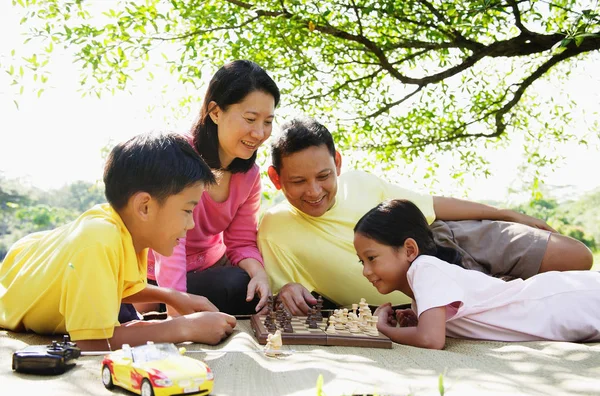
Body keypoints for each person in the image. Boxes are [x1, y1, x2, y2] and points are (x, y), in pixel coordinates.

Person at [257, 117, 594, 315]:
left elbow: (431, 205)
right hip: (430, 291)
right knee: (542, 306)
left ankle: (510, 284)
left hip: (449, 238)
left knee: (576, 255)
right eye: (298, 182)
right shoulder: (275, 228)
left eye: (323, 176)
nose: (314, 191)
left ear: (338, 164)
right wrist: (285, 289)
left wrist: (505, 214)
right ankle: (507, 289)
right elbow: (280, 288)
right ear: (275, 178)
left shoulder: (359, 182)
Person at [0, 132, 237, 351]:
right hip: (10, 286)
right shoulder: (98, 239)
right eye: (187, 211)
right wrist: (186, 327)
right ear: (144, 207)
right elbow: (89, 342)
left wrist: (173, 296)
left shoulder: (125, 231)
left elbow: (118, 286)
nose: (191, 224)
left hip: (33, 253)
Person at [353, 199, 600, 348]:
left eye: (372, 258)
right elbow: (439, 328)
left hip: (565, 301)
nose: (366, 270)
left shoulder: (424, 269)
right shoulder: (422, 286)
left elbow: (430, 340)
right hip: (563, 308)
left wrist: (385, 329)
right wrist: (417, 320)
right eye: (362, 261)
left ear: (409, 249)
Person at [143, 60, 280, 316]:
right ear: (215, 112)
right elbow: (170, 247)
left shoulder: (249, 175)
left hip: (205, 273)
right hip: (154, 273)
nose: (260, 133)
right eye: (250, 119)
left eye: (268, 122)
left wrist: (259, 274)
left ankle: (160, 307)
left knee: (242, 286)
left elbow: (241, 242)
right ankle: (156, 304)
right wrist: (178, 312)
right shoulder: (179, 156)